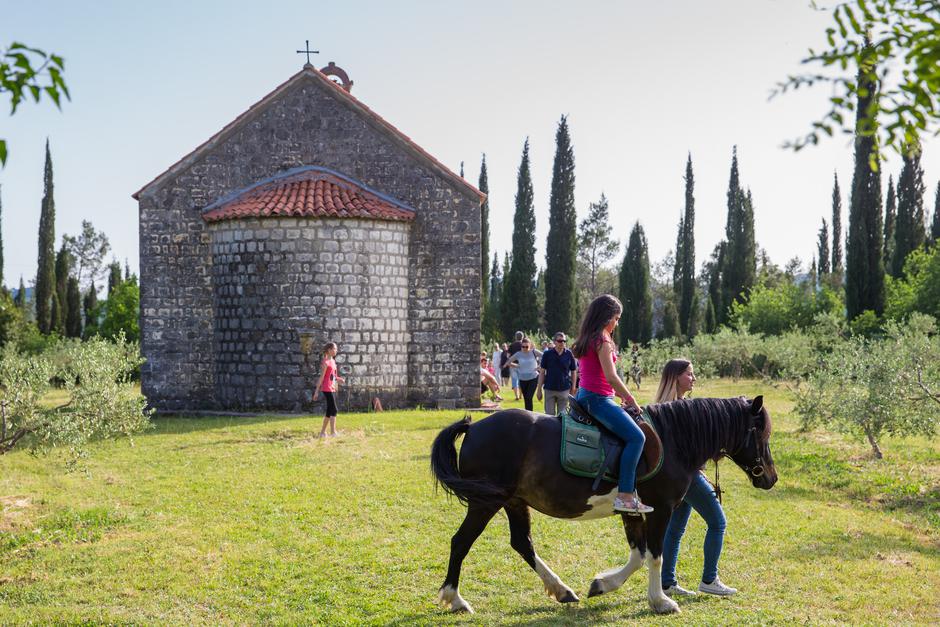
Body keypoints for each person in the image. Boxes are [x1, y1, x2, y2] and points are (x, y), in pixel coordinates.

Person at [655, 359, 737, 598]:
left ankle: (667, 583)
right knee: (718, 522)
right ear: (676, 378)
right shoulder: (672, 408)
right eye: (689, 374)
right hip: (687, 476)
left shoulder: (675, 405)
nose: (694, 378)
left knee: (675, 529)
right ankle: (710, 579)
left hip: (684, 475)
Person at [571, 294, 652, 514]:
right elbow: (611, 377)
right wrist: (630, 398)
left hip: (585, 396)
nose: (617, 323)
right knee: (637, 438)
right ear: (608, 317)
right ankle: (625, 495)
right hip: (597, 400)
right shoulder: (603, 340)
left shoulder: (588, 337)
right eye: (617, 318)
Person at [537, 331, 578, 415]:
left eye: (564, 341)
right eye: (560, 341)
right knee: (549, 416)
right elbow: (542, 372)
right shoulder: (547, 354)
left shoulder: (569, 354)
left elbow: (574, 371)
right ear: (555, 342)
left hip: (564, 389)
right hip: (549, 389)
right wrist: (539, 389)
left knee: (562, 417)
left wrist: (573, 387)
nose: (562, 343)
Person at [313, 342, 345, 438]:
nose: (336, 350)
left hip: (332, 388)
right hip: (327, 389)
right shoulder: (325, 362)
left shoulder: (333, 361)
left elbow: (334, 376)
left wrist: (340, 380)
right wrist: (316, 391)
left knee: (329, 410)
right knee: (334, 409)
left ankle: (322, 433)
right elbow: (322, 378)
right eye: (335, 349)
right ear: (329, 350)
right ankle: (333, 432)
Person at [507, 337, 540, 411]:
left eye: (526, 346)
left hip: (533, 378)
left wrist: (540, 366)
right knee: (526, 399)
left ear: (530, 345)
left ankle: (530, 415)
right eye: (523, 346)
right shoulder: (518, 354)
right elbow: (509, 362)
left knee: (529, 397)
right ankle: (528, 415)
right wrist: (518, 366)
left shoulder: (534, 352)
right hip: (522, 379)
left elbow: (545, 356)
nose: (524, 348)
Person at [508, 331, 524, 400]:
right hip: (522, 365)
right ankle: (520, 395)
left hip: (513, 365)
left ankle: (516, 396)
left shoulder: (511, 345)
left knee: (514, 381)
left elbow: (508, 355)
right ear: (522, 337)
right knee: (522, 380)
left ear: (515, 337)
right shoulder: (524, 345)